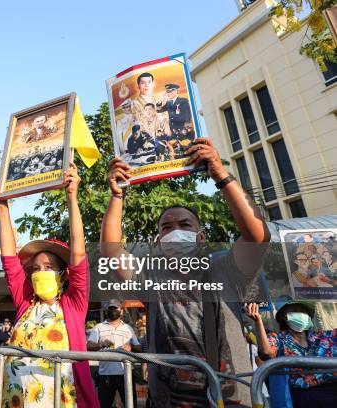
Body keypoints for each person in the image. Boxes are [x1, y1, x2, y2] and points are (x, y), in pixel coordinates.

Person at [101, 137, 270, 407]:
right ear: (157, 243)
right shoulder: (150, 278)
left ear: (201, 238)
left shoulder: (224, 268)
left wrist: (220, 173)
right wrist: (117, 194)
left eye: (184, 224)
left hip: (229, 400)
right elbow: (111, 252)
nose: (175, 231)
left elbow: (257, 236)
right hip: (168, 400)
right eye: (166, 228)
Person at [0, 163, 100, 408]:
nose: (40, 272)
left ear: (63, 275)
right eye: (35, 268)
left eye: (49, 267)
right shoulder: (24, 301)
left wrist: (71, 196)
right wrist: (2, 206)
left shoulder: (73, 304)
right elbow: (9, 258)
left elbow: (78, 254)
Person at [245, 299, 337, 407]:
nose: (301, 315)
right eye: (294, 311)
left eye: (303, 311)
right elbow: (266, 352)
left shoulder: (324, 336)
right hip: (305, 394)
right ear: (284, 317)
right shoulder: (279, 339)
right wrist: (258, 321)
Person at [87, 299, 141, 408]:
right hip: (105, 374)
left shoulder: (128, 328)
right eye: (111, 308)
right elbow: (88, 346)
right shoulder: (98, 327)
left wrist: (130, 347)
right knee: (104, 405)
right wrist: (100, 344)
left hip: (126, 373)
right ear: (107, 310)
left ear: (120, 310)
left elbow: (138, 347)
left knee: (131, 405)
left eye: (115, 308)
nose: (113, 311)